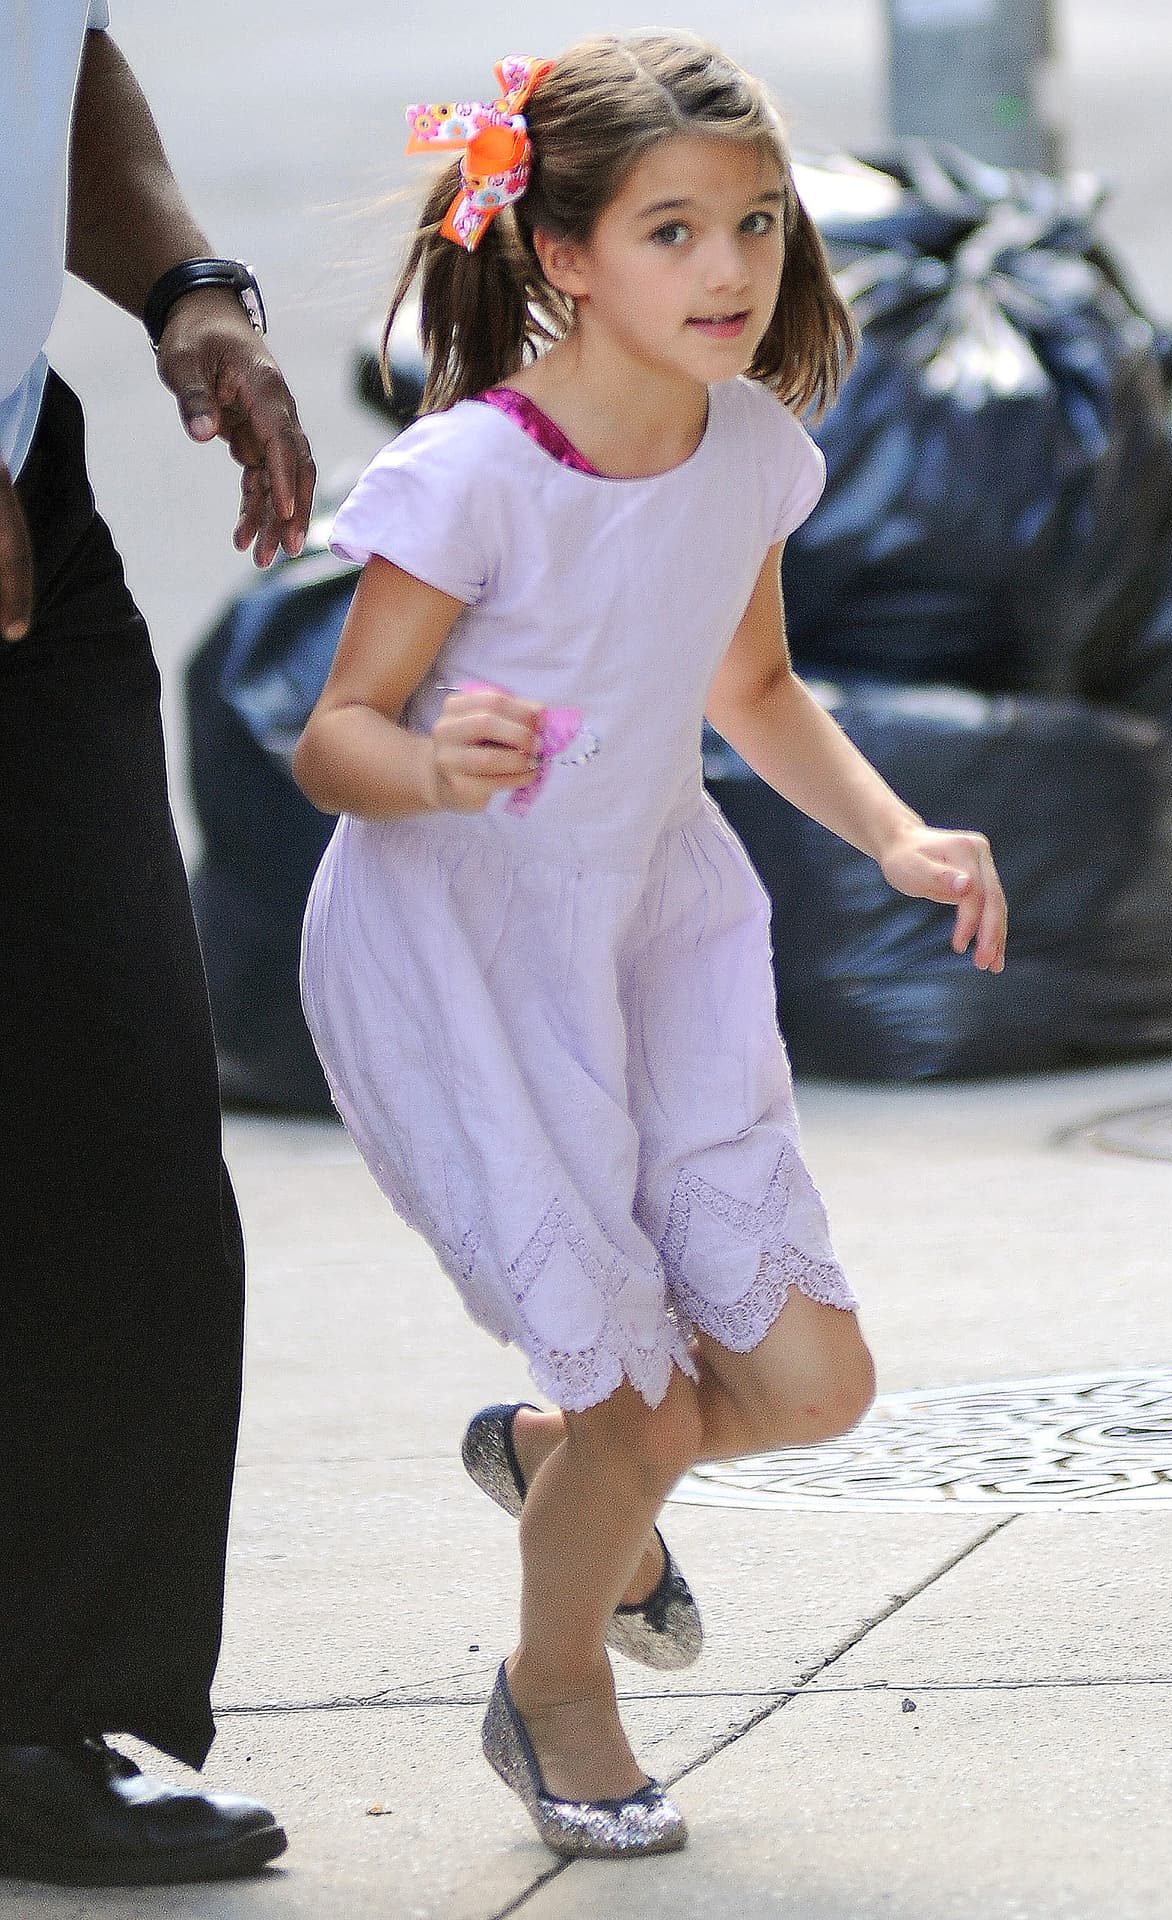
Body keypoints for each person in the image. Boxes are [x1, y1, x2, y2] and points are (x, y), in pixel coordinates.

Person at [293, 31, 1006, 1861]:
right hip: (461, 951)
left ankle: (563, 1468)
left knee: (806, 1387)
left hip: (655, 925)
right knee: (640, 1399)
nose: (730, 267)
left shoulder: (750, 443)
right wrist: (429, 765)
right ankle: (555, 1694)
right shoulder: (473, 476)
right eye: (672, 230)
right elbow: (333, 738)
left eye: (756, 222)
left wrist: (894, 831)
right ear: (564, 254)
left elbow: (751, 684)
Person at [0, 3, 315, 1888]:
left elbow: (52, 52)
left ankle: (34, 1717)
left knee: (111, 1121)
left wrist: (184, 283)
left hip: (22, 497)